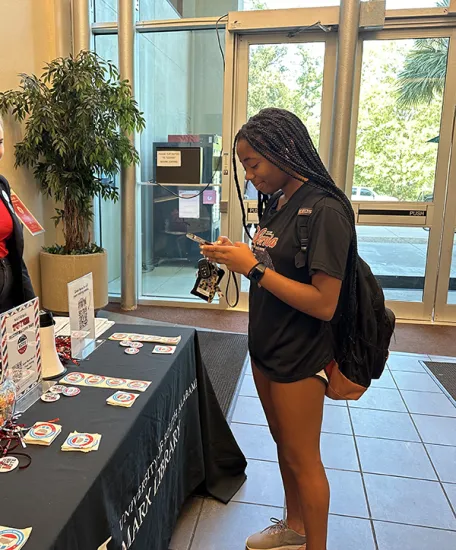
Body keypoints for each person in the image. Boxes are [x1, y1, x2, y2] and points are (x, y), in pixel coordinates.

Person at [202, 108, 356, 550]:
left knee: (305, 457)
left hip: (300, 351)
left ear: (283, 151)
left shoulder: (324, 210)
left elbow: (324, 303)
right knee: (284, 444)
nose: (250, 176)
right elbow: (277, 264)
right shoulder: (281, 202)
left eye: (254, 164)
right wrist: (239, 255)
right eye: (245, 166)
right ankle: (294, 526)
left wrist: (251, 270)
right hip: (266, 344)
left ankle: (315, 545)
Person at [0, 115, 35, 313]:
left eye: (0, 142)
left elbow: (15, 251)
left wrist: (31, 306)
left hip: (8, 305)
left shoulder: (2, 184)